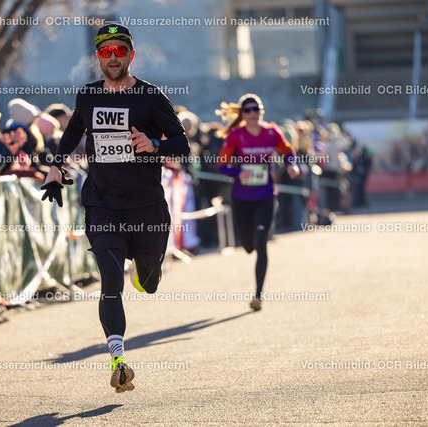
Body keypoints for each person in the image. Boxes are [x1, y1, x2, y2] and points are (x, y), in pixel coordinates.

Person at [41, 23, 190, 393]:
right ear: (98, 57)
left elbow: (181, 143)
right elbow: (73, 131)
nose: (113, 57)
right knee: (110, 279)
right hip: (102, 203)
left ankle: (146, 270)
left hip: (146, 206)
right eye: (106, 51)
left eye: (119, 51)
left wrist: (155, 144)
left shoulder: (150, 97)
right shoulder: (88, 95)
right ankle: (118, 358)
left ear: (131, 55)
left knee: (149, 282)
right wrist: (57, 165)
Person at [217, 94, 298, 311]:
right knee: (248, 246)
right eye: (248, 110)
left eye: (256, 109)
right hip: (242, 197)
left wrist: (292, 165)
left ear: (261, 111)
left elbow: (288, 152)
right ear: (243, 114)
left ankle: (258, 295)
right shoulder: (236, 136)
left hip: (265, 196)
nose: (252, 113)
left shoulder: (272, 133)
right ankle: (248, 244)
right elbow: (222, 165)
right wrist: (238, 173)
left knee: (261, 243)